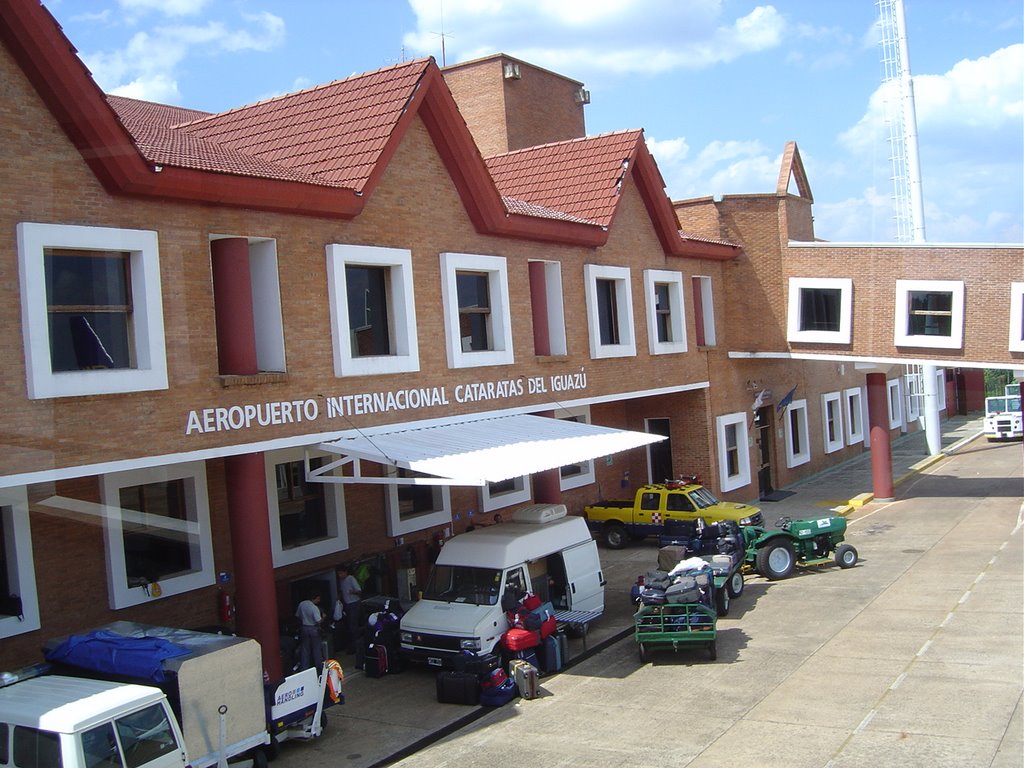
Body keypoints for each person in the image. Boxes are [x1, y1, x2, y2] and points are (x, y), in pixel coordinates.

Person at [295, 589, 324, 671]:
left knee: (305, 649)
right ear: (316, 598)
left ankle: (305, 668)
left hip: (304, 627)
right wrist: (324, 617)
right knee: (316, 649)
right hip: (313, 628)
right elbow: (318, 621)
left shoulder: (302, 604)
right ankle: (319, 667)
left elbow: (298, 615)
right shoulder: (314, 608)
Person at [337, 564, 363, 654]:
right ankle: (353, 646)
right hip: (347, 604)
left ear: (345, 572)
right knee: (350, 625)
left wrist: (352, 592)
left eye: (341, 573)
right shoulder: (341, 580)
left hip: (354, 603)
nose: (339, 575)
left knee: (353, 626)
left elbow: (359, 591)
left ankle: (356, 647)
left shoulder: (351, 579)